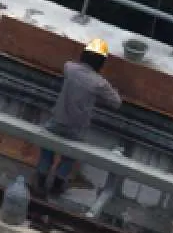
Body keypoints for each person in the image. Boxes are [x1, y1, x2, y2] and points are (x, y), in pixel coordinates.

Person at [32, 38, 122, 200]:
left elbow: (71, 69)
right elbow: (116, 102)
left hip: (57, 121)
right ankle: (57, 185)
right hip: (77, 129)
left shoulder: (70, 68)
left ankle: (40, 181)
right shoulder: (99, 83)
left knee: (47, 148)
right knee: (70, 156)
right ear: (101, 62)